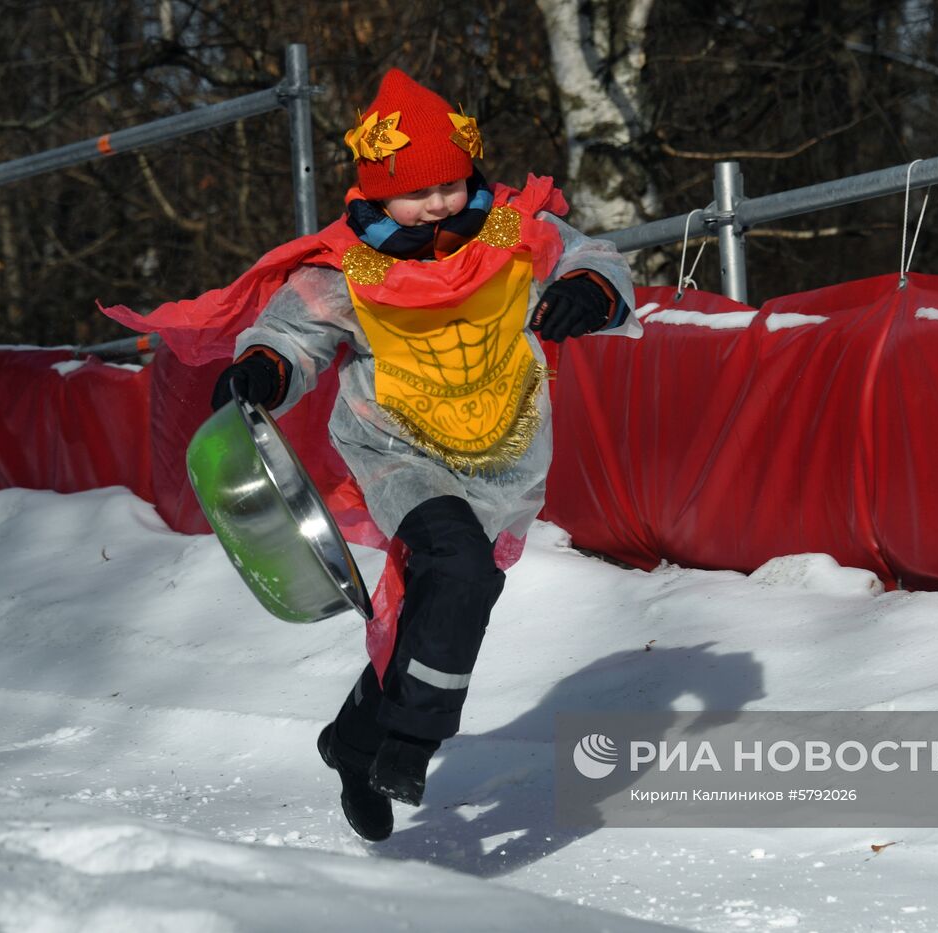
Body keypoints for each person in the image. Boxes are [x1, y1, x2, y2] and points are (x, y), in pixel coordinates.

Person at [187, 69, 639, 842]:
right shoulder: (351, 266)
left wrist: (590, 288)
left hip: (502, 452)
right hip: (397, 449)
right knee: (455, 566)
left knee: (453, 599)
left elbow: (593, 255)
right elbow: (295, 332)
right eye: (417, 191)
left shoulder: (507, 230)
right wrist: (264, 368)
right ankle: (409, 742)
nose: (438, 204)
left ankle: (354, 741)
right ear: (376, 192)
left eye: (453, 184)